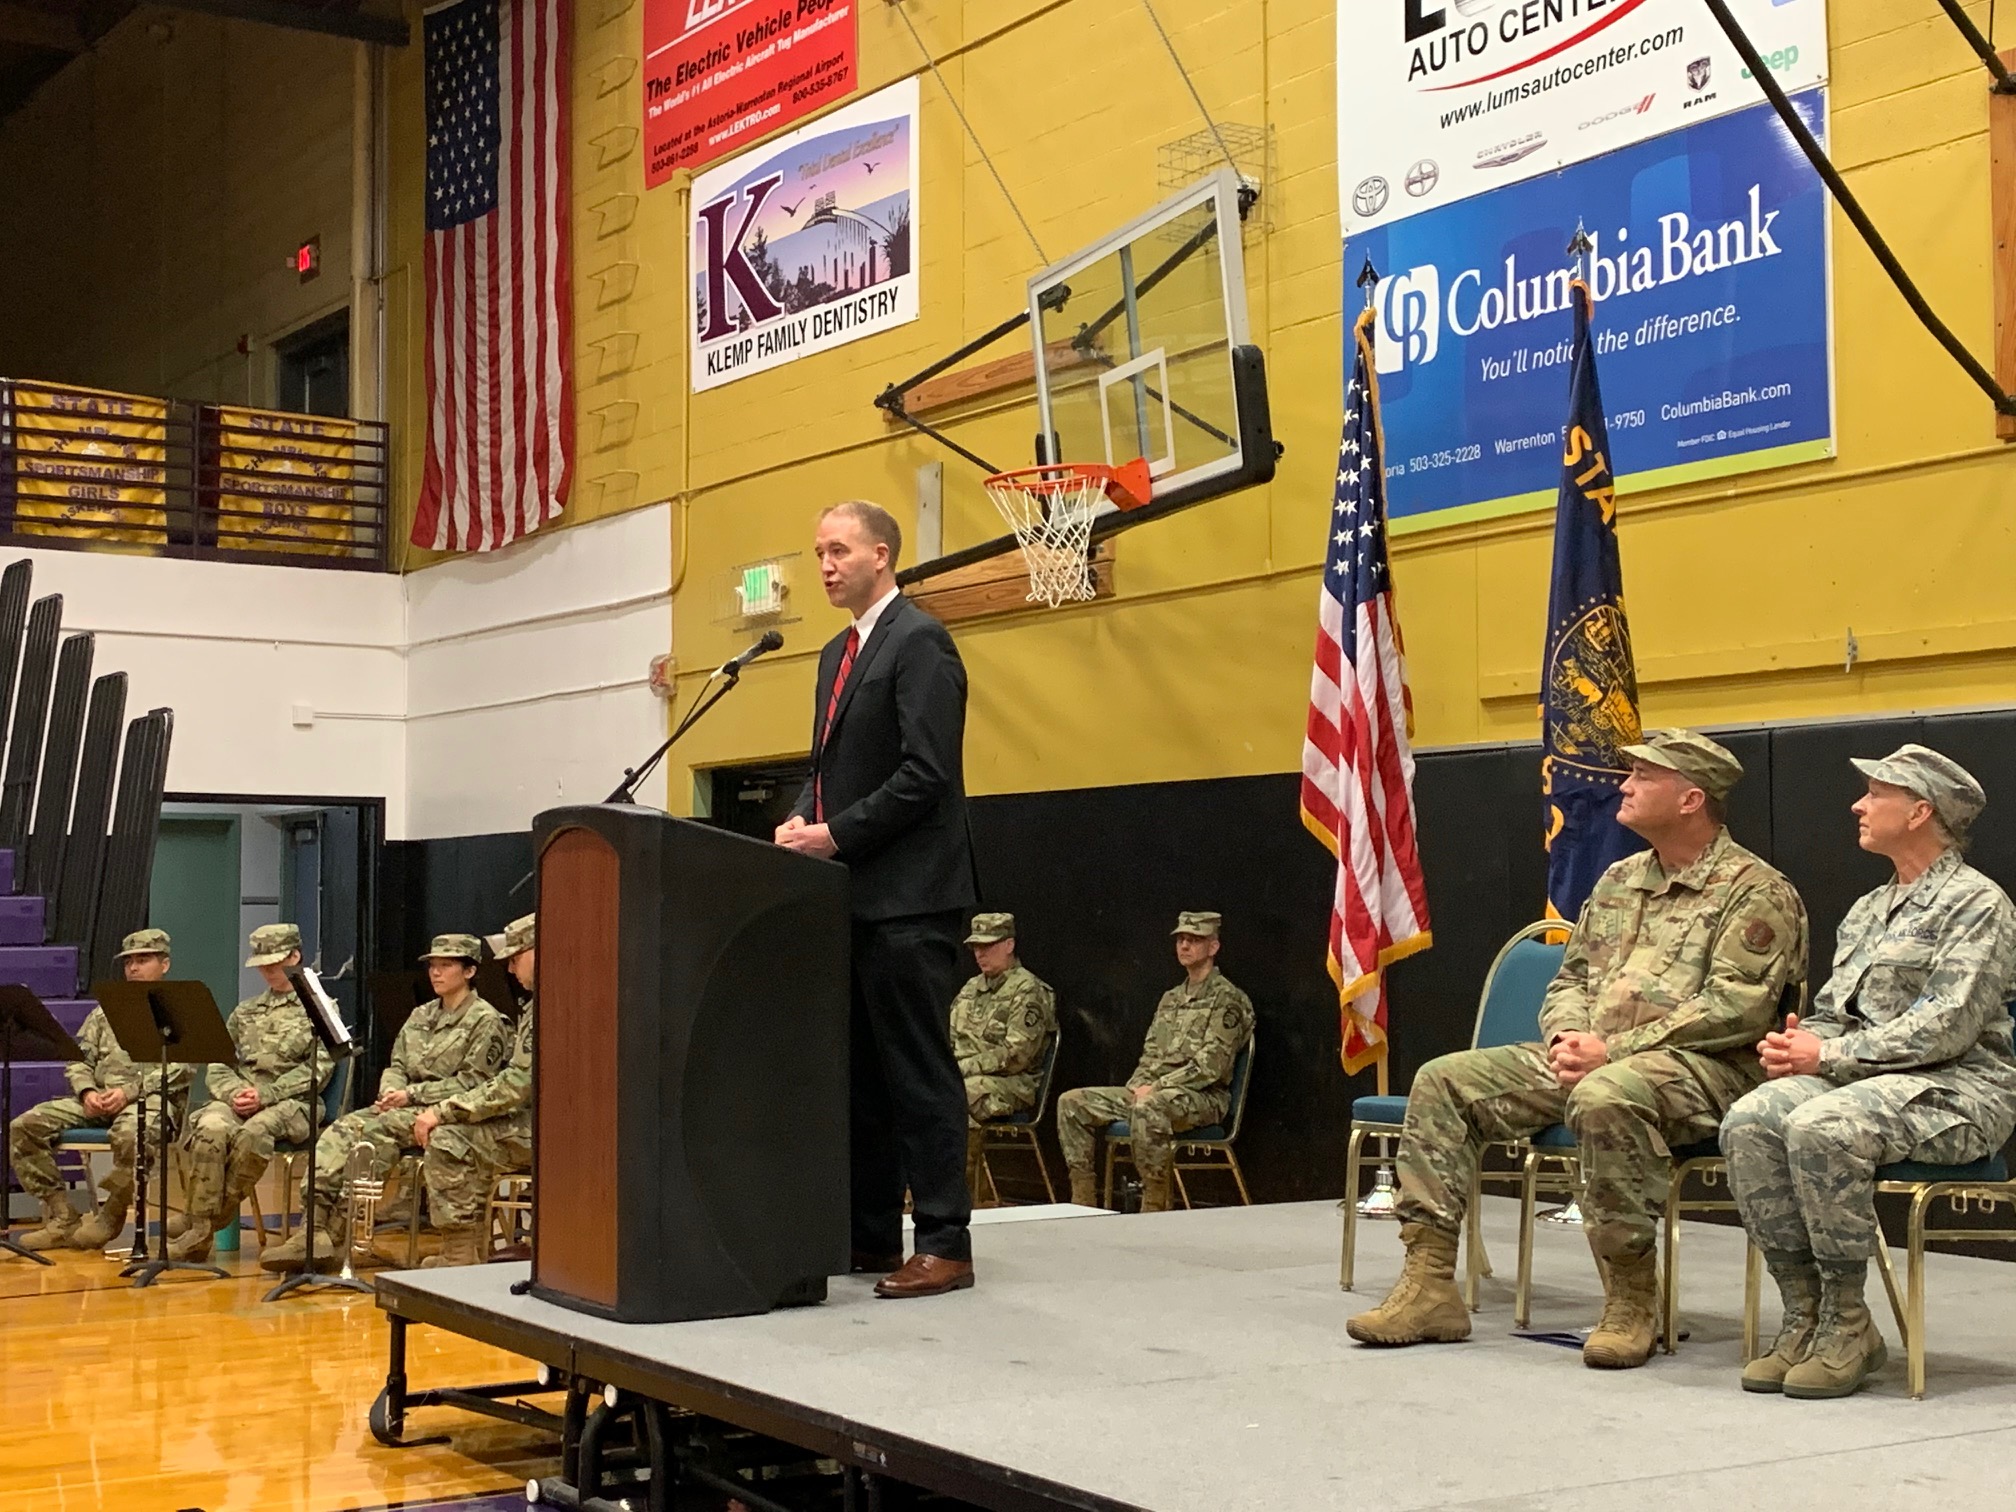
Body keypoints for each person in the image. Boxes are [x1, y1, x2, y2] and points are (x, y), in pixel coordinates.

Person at [1346, 730, 1809, 1370]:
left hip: (1709, 1071)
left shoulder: (1755, 890)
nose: (1624, 785)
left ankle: (1631, 1301)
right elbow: (1570, 979)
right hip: (1598, 1058)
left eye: (1644, 777)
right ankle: (1429, 1285)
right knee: (1445, 1081)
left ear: (1690, 798)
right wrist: (1568, 1038)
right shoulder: (1620, 880)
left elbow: (1737, 1009)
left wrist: (1611, 1049)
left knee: (1605, 1093)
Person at [1723, 745, 2016, 1399]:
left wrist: (1826, 1058)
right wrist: (1804, 1041)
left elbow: (1949, 1027)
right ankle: (1807, 1316)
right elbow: (1836, 1014)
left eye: (1874, 793)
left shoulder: (1977, 905)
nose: (1858, 804)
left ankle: (1849, 1323)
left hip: (1961, 1092)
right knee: (1750, 1119)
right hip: (1869, 1082)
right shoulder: (1868, 909)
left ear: (1919, 811)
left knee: (1824, 1123)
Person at [775, 499, 978, 1299]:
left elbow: (927, 775)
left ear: (882, 555)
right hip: (851, 899)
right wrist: (800, 813)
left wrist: (836, 834)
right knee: (859, 1075)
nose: (826, 565)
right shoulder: (836, 653)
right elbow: (829, 766)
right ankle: (866, 1235)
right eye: (818, 551)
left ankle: (945, 1240)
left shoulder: (921, 641)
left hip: (911, 899)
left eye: (840, 550)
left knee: (917, 1073)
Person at [259, 934, 507, 1273]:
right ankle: (313, 1228)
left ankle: (336, 1232)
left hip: (447, 1114)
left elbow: (473, 1083)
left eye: (446, 966)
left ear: (469, 971)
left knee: (374, 1139)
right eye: (433, 966)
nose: (436, 973)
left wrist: (412, 1096)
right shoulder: (421, 1015)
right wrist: (392, 1090)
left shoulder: (486, 1021)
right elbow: (398, 1064)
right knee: (342, 1129)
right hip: (402, 1107)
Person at [1055, 912, 1254, 1214]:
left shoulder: (1228, 1000)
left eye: (1194, 940)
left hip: (1203, 1097)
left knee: (1149, 1108)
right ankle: (1083, 1203)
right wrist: (1138, 1086)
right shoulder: (1170, 999)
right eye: (1181, 939)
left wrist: (1157, 1088)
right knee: (1072, 1103)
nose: (1185, 945)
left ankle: (1155, 1204)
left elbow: (1211, 1066)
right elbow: (1150, 1055)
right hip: (1154, 1093)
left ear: (1213, 947)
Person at [9, 929, 192, 1252]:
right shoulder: (104, 1012)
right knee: (24, 1127)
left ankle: (112, 1213)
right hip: (98, 1101)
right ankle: (62, 1217)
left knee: (131, 1135)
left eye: (143, 960)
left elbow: (182, 1068)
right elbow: (77, 1059)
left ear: (164, 964)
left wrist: (129, 1092)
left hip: (148, 1103)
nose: (134, 968)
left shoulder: (182, 1009)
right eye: (129, 962)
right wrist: (86, 1092)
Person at [169, 924, 328, 1261]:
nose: (268, 972)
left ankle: (201, 1226)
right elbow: (218, 1059)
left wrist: (266, 1095)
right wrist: (235, 1093)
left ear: (294, 957)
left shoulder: (319, 1008)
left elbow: (319, 1069)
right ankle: (200, 1229)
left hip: (293, 1103)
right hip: (241, 1097)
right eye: (263, 965)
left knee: (255, 1133)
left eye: (275, 963)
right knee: (211, 1127)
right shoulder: (246, 1012)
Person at [412, 913, 537, 1268]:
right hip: (540, 1122)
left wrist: (444, 1110)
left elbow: (516, 1085)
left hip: (559, 1132)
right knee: (456, 1135)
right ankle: (465, 1253)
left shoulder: (554, 1004)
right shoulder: (541, 1002)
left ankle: (458, 1257)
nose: (511, 970)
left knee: (452, 1140)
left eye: (516, 958)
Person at [949, 912, 1057, 1199]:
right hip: (968, 1077)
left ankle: (959, 1195)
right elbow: (948, 1039)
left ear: (1009, 945)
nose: (980, 954)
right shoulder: (970, 989)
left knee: (961, 1094)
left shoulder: (1028, 989)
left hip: (1014, 1084)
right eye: (976, 947)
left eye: (988, 946)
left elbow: (1017, 1055)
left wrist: (961, 1068)